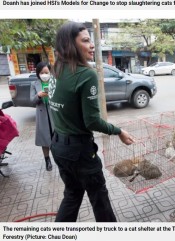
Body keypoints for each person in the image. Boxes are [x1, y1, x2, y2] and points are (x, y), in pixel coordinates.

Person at [49, 21, 134, 222]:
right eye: (86, 41)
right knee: (99, 199)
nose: (92, 45)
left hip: (59, 146)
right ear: (71, 45)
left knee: (72, 194)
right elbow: (92, 121)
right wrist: (119, 131)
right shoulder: (86, 74)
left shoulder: (57, 68)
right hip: (80, 152)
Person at [30, 62, 53, 171]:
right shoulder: (34, 84)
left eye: (46, 72)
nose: (44, 74)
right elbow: (32, 100)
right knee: (44, 139)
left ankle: (59, 158)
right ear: (38, 73)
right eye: (42, 72)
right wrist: (38, 95)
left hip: (54, 114)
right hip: (42, 115)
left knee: (56, 138)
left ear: (50, 72)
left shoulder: (54, 82)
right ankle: (47, 160)